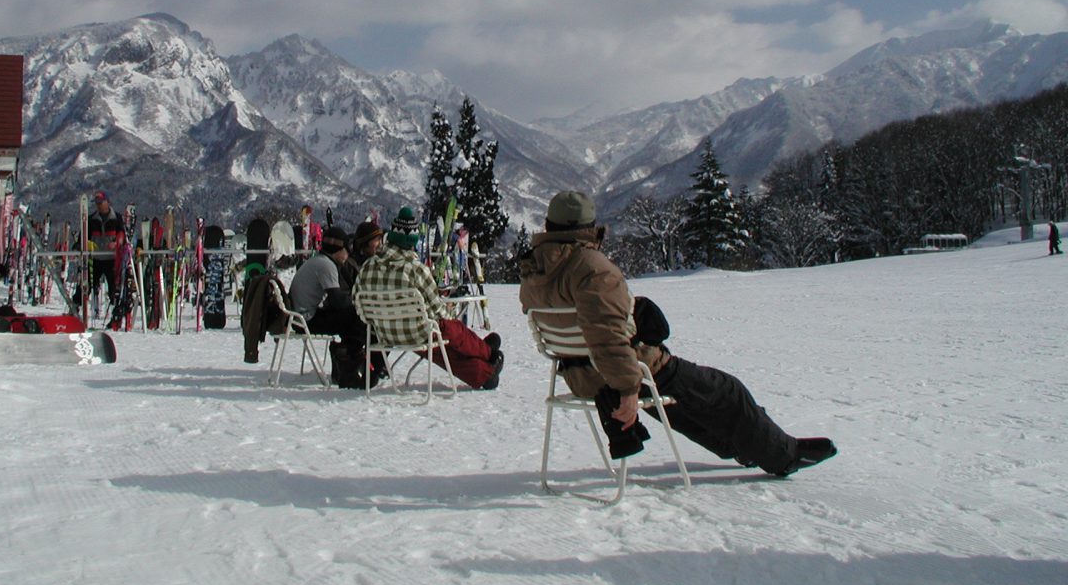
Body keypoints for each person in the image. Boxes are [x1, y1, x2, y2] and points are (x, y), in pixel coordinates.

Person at [518, 191, 836, 476]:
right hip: (625, 371)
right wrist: (628, 389)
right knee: (727, 391)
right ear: (589, 227)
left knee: (686, 400)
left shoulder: (534, 269)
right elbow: (607, 338)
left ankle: (746, 447)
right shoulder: (591, 266)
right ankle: (784, 456)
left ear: (549, 225)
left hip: (579, 374)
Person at [353, 207, 504, 390]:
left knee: (440, 347)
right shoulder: (416, 269)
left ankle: (483, 370)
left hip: (385, 334)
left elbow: (358, 303)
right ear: (412, 241)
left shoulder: (367, 268)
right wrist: (445, 316)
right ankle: (487, 354)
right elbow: (438, 309)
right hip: (419, 333)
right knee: (451, 329)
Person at [288, 226, 372, 387]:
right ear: (339, 249)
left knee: (350, 319)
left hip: (300, 316)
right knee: (357, 320)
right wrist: (361, 304)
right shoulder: (326, 266)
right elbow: (337, 300)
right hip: (305, 320)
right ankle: (347, 366)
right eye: (347, 250)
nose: (348, 255)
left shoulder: (318, 260)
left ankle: (343, 358)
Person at [81, 191, 126, 319]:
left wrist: (116, 243)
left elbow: (122, 236)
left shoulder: (116, 218)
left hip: (111, 260)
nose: (99, 205)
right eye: (97, 203)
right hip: (95, 259)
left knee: (113, 288)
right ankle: (77, 306)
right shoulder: (91, 219)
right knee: (86, 285)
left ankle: (115, 314)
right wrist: (86, 244)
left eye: (101, 202)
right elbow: (83, 237)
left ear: (107, 202)